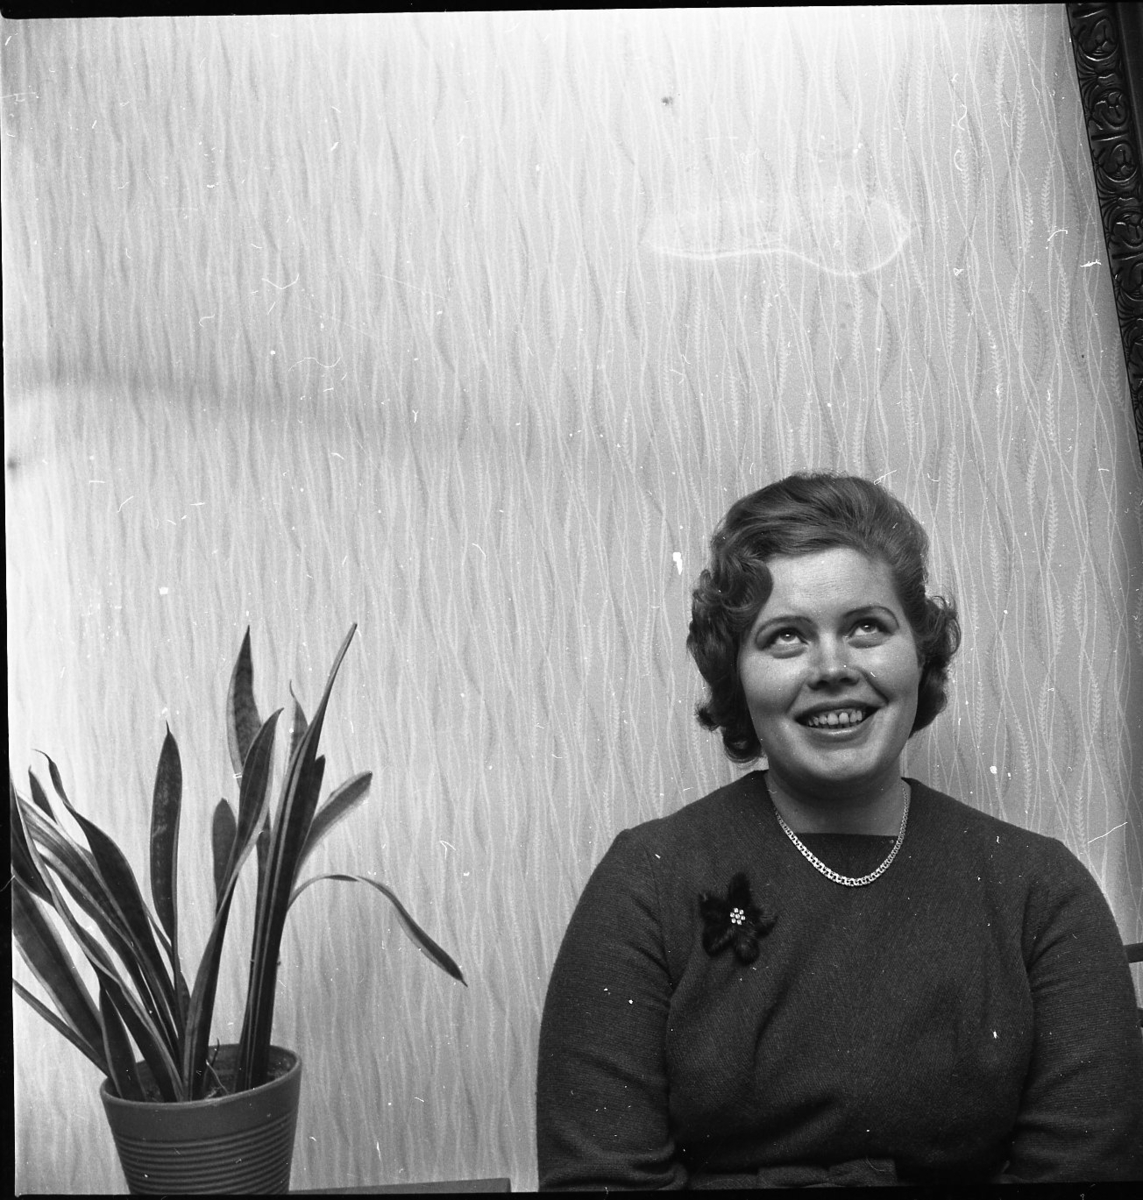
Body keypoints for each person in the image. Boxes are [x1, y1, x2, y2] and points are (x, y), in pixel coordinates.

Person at [536, 471, 1143, 1187]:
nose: (832, 668)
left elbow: (1083, 1173)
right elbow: (601, 1177)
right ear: (735, 675)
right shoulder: (647, 880)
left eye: (866, 627)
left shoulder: (1041, 893)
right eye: (786, 637)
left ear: (918, 652)